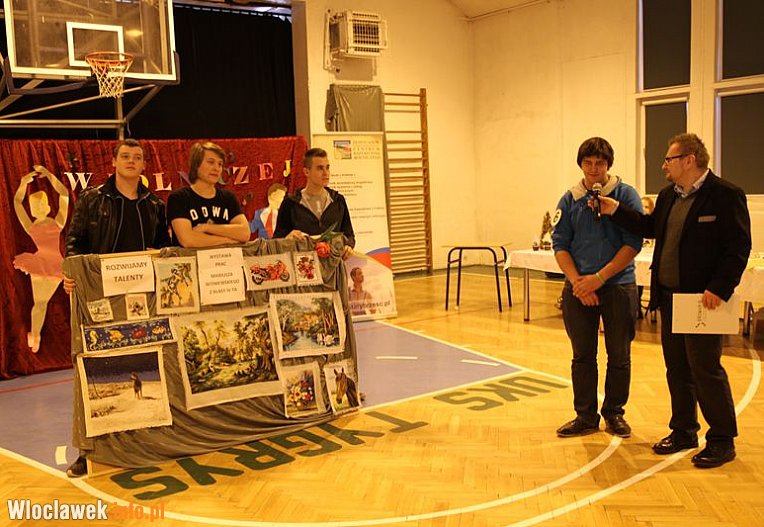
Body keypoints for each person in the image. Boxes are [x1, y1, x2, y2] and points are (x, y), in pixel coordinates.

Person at [597, 133, 751, 468]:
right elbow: (650, 227)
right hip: (669, 298)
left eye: (669, 159)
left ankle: (722, 440)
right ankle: (683, 431)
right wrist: (616, 210)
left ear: (689, 160)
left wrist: (719, 287)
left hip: (703, 301)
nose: (664, 165)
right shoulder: (669, 195)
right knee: (677, 369)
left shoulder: (725, 195)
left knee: (705, 370)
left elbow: (738, 247)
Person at [63, 138, 171, 477]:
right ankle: (90, 452)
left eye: (137, 157)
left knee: (152, 364)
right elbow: (74, 244)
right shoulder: (92, 199)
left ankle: (147, 442)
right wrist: (72, 276)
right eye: (125, 156)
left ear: (144, 165)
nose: (131, 161)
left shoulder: (154, 204)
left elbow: (164, 248)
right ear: (113, 161)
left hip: (144, 299)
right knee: (93, 370)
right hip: (101, 298)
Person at [552, 137, 643, 439]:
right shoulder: (570, 199)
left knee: (619, 355)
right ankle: (585, 416)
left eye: (600, 163)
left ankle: (614, 413)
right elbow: (560, 245)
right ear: (581, 164)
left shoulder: (625, 195)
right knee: (582, 356)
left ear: (608, 165)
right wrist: (579, 282)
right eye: (588, 163)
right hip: (579, 289)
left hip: (618, 286)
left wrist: (600, 278)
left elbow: (633, 243)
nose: (594, 169)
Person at [13, 166, 69, 353]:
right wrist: (44, 177)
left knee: (40, 303)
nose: (38, 209)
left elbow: (64, 195)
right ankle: (35, 334)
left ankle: (35, 334)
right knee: (40, 302)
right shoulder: (50, 224)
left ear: (47, 207)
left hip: (46, 264)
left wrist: (29, 182)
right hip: (48, 263)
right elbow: (64, 194)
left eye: (40, 206)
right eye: (35, 207)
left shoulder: (40, 226)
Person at [273, 148, 355, 259]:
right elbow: (277, 241)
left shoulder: (338, 200)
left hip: (333, 265)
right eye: (320, 168)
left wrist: (349, 246)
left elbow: (349, 235)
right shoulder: (290, 203)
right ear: (306, 172)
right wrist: (288, 238)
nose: (326, 173)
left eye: (327, 167)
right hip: (304, 265)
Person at [167, 142, 250, 247]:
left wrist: (206, 227)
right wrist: (229, 241)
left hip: (226, 257)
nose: (216, 168)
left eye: (220, 164)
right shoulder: (179, 198)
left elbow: (245, 233)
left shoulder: (228, 198)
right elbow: (188, 240)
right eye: (211, 162)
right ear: (196, 165)